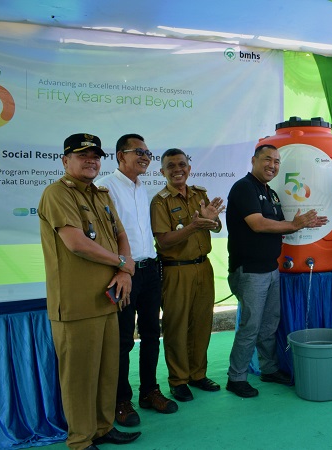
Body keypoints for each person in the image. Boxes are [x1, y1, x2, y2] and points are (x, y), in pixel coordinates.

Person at [38, 133, 141, 449]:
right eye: (83, 156)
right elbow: (77, 243)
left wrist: (123, 268)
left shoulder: (101, 194)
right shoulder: (57, 193)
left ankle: (102, 427)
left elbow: (120, 233)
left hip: (108, 301)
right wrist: (123, 262)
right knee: (79, 378)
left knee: (107, 373)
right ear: (65, 160)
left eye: (95, 156)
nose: (91, 161)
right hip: (76, 305)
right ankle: (81, 440)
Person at [225, 144, 328, 398]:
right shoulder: (244, 187)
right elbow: (258, 224)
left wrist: (304, 224)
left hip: (271, 269)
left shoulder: (270, 193)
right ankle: (236, 377)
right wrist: (294, 224)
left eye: (277, 161)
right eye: (267, 159)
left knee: (269, 324)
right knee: (251, 325)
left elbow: (282, 225)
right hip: (249, 270)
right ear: (254, 160)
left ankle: (269, 369)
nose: (272, 165)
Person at [95, 134, 178, 427]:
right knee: (122, 341)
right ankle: (121, 400)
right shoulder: (105, 187)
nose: (145, 156)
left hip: (150, 268)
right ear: (120, 156)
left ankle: (149, 392)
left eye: (148, 152)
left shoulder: (142, 188)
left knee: (152, 335)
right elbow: (107, 237)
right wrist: (121, 270)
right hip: (124, 274)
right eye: (138, 151)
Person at [150, 148, 225, 402]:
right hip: (176, 270)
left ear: (189, 168)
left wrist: (212, 221)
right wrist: (194, 226)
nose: (177, 169)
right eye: (170, 166)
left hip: (203, 267)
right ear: (162, 172)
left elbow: (215, 227)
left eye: (181, 164)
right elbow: (164, 241)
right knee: (176, 327)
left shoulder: (200, 195)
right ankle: (178, 379)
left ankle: (197, 374)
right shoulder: (160, 201)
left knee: (202, 323)